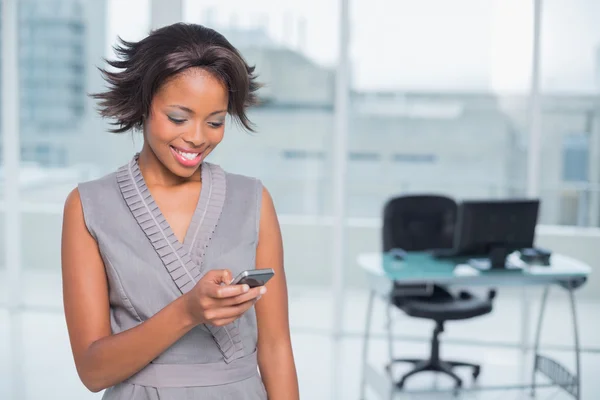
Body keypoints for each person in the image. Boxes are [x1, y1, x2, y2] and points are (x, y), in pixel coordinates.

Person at [61, 23, 299, 399]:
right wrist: (188, 312)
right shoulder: (89, 206)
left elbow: (276, 348)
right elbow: (93, 371)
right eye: (178, 118)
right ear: (143, 105)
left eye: (216, 121)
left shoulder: (252, 200)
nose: (198, 137)